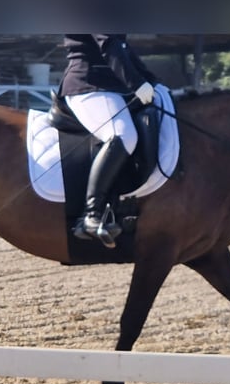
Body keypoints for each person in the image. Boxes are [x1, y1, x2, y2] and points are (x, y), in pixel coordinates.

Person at [57, 34, 158, 248]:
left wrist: (152, 81)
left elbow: (123, 47)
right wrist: (137, 83)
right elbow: (110, 45)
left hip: (113, 88)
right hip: (89, 84)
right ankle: (91, 215)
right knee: (122, 136)